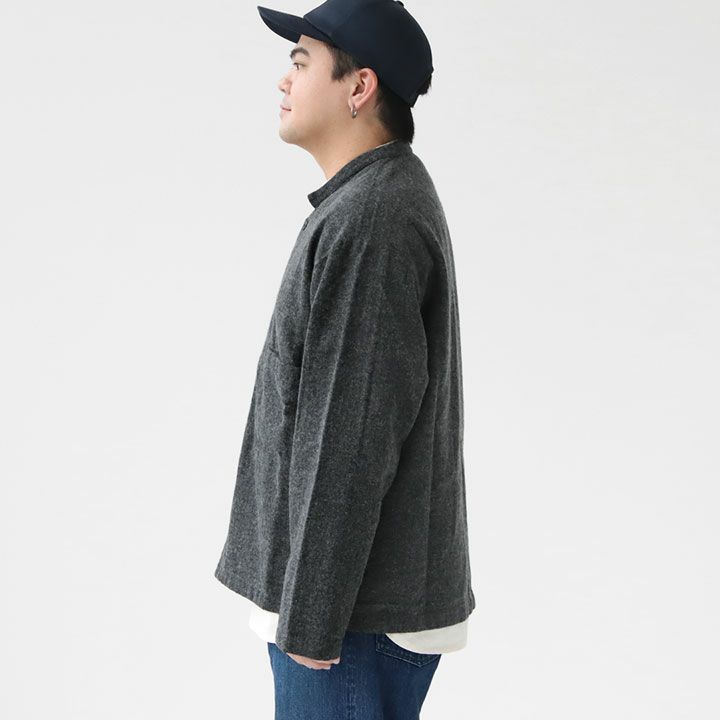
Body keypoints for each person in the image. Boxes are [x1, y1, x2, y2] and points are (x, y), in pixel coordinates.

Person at [214, 0, 475, 716]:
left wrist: (313, 615)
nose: (284, 79)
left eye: (301, 63)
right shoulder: (369, 202)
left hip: (349, 621)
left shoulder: (373, 219)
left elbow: (352, 433)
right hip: (347, 610)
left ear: (359, 87)